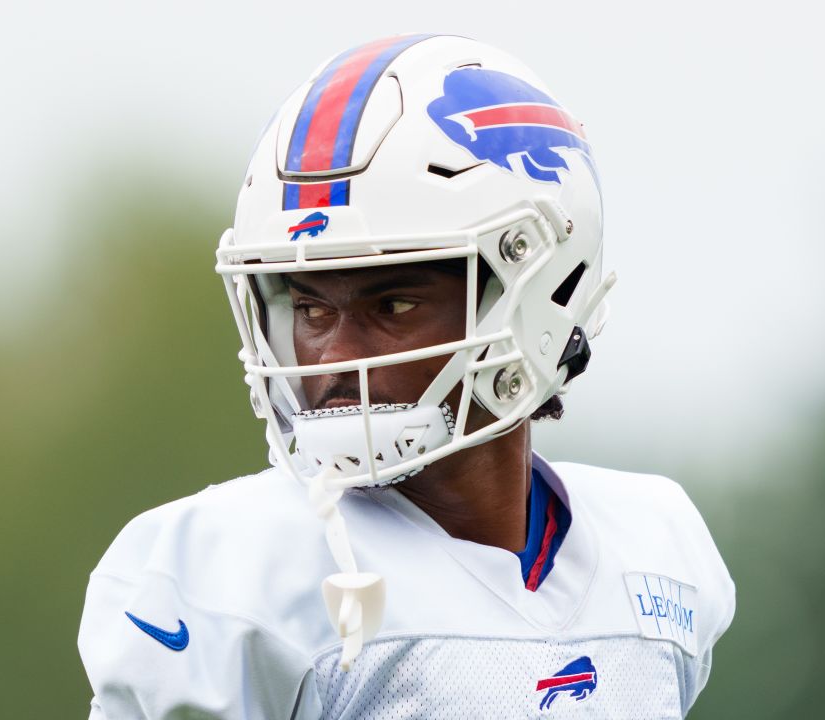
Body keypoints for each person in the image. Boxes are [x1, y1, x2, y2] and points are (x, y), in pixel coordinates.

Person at [78, 34, 735, 719]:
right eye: (309, 307)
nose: (332, 357)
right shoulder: (236, 570)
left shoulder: (655, 553)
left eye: (391, 305)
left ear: (539, 293)